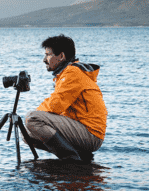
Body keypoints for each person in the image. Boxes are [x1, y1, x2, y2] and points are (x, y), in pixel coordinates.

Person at [25, 34, 108, 163]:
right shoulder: (67, 72)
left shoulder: (72, 73)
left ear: (61, 56)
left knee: (32, 119)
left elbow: (55, 106)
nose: (44, 60)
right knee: (28, 135)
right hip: (83, 129)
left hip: (91, 134)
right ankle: (82, 156)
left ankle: (71, 159)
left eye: (48, 55)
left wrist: (36, 114)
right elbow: (58, 105)